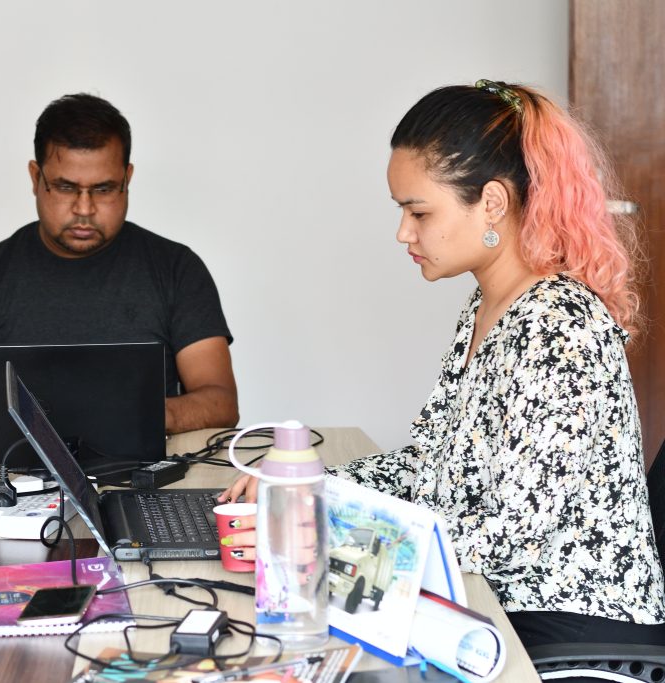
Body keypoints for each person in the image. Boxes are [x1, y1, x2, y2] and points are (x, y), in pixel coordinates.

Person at [222, 80, 665, 647]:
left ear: (493, 203)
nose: (403, 232)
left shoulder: (560, 325)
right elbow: (427, 467)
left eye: (419, 211)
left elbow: (512, 537)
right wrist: (307, 491)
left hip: (566, 626)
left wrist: (332, 540)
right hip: (491, 599)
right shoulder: (491, 305)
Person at [0, 93, 238, 434]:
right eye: (65, 187)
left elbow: (221, 401)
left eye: (104, 189)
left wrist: (143, 416)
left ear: (127, 179)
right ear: (35, 178)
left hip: (145, 462)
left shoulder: (177, 269)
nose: (84, 209)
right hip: (17, 464)